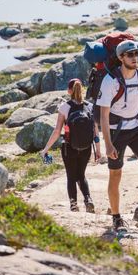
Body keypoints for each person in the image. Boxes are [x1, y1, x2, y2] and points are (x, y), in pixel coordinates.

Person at [98, 40, 138, 230]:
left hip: (136, 127)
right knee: (115, 174)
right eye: (130, 54)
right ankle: (116, 217)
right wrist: (107, 144)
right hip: (116, 130)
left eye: (136, 54)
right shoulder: (111, 80)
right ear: (120, 58)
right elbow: (104, 114)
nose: (134, 58)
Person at [41, 78, 101, 213]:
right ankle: (88, 199)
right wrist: (98, 150)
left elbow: (57, 131)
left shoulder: (64, 107)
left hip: (69, 148)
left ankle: (74, 204)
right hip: (86, 147)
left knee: (71, 176)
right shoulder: (90, 107)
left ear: (69, 91)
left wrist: (46, 149)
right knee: (81, 175)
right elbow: (95, 131)